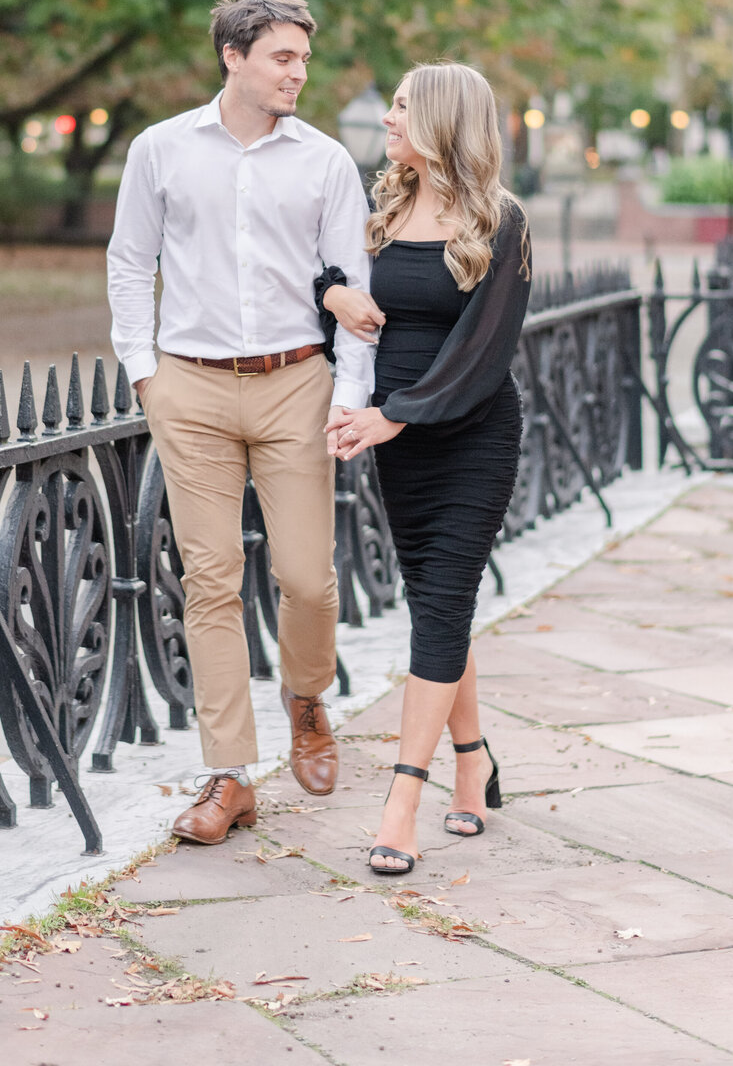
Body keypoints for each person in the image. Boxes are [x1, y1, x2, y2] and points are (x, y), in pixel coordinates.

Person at [107, 0, 375, 844]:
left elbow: (354, 288)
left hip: (297, 381)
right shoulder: (161, 150)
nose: (298, 72)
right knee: (209, 578)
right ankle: (228, 775)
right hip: (190, 387)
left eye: (302, 58)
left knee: (306, 577)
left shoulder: (326, 161)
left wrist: (350, 394)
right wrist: (143, 371)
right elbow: (129, 260)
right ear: (234, 56)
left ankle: (307, 697)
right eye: (282, 58)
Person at [322, 62, 531, 875]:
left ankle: (402, 801)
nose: (388, 119)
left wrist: (391, 414)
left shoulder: (499, 219)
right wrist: (331, 294)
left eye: (402, 107)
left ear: (443, 120)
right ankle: (472, 759)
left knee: (440, 607)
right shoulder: (389, 207)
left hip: (470, 436)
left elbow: (482, 352)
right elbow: (352, 308)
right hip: (395, 441)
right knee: (437, 603)